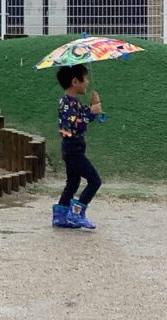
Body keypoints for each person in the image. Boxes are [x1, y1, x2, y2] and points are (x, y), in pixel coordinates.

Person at [52, 64, 103, 230]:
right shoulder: (66, 103)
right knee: (95, 181)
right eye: (85, 78)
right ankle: (76, 213)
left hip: (74, 149)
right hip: (73, 150)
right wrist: (92, 112)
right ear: (75, 81)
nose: (87, 82)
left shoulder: (73, 102)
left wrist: (93, 107)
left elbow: (82, 117)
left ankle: (60, 216)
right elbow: (77, 124)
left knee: (73, 182)